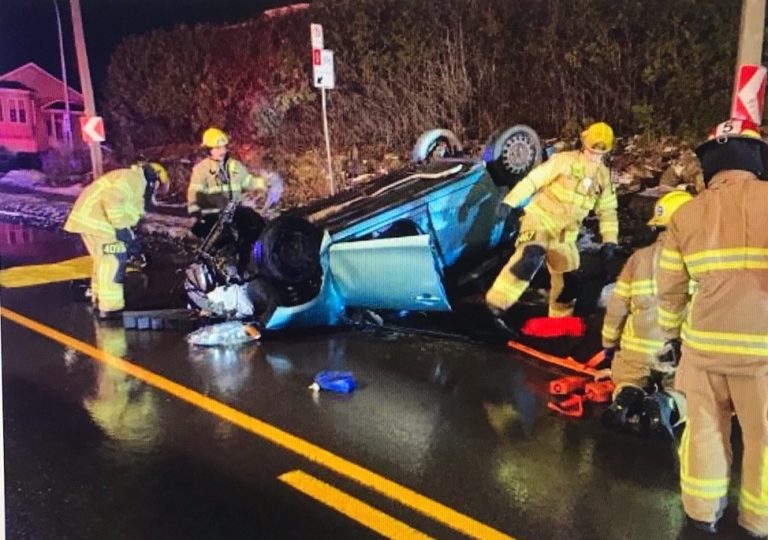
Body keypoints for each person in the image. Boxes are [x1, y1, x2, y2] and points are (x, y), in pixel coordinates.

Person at [657, 119, 768, 538]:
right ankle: (757, 522)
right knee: (764, 441)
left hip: (703, 349)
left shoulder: (685, 214)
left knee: (703, 434)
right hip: (762, 352)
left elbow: (669, 288)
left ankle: (701, 516)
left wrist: (671, 336)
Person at [485, 122, 619, 324]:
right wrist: (509, 202)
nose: (594, 156)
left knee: (568, 282)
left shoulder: (603, 177)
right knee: (529, 257)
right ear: (584, 144)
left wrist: (610, 240)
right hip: (540, 220)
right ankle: (494, 307)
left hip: (565, 236)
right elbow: (533, 180)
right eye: (591, 151)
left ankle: (559, 322)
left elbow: (607, 210)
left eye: (599, 153)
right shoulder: (563, 161)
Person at [600, 190, 692, 438]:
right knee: (690, 392)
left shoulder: (638, 258)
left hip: (635, 348)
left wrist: (608, 343)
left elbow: (617, 305)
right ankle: (666, 404)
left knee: (628, 378)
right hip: (677, 353)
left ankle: (626, 395)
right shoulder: (698, 261)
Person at [64, 162, 169, 320]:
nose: (155, 192)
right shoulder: (133, 179)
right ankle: (111, 308)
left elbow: (129, 210)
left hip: (91, 222)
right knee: (114, 261)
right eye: (157, 187)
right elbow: (112, 198)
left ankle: (99, 299)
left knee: (103, 262)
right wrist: (121, 228)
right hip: (99, 223)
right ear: (154, 180)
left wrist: (130, 235)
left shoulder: (132, 180)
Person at [187, 127, 284, 271]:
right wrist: (195, 214)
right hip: (213, 214)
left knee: (255, 224)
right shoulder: (201, 170)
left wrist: (264, 182)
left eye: (223, 147)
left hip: (234, 210)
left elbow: (247, 181)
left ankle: (247, 265)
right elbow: (194, 193)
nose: (222, 151)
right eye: (217, 148)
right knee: (222, 241)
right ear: (208, 150)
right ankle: (222, 267)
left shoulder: (235, 166)